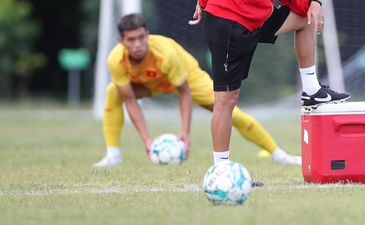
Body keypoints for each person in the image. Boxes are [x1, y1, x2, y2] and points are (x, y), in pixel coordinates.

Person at [189, 0, 350, 165]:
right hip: (227, 20)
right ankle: (222, 171)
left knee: (304, 17)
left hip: (254, 19)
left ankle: (311, 90)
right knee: (226, 101)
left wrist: (312, 3)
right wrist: (203, 3)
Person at [93, 13, 301, 168]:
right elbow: (130, 101)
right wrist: (147, 140)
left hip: (188, 78)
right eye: (131, 40)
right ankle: (113, 156)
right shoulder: (115, 60)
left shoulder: (165, 53)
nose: (138, 44)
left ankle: (278, 154)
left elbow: (184, 93)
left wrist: (185, 132)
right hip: (149, 84)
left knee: (229, 111)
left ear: (147, 34)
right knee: (113, 92)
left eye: (141, 37)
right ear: (122, 41)